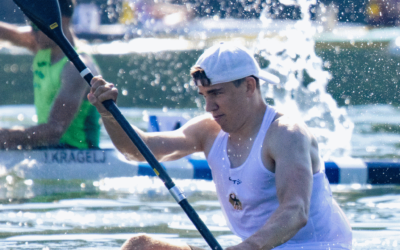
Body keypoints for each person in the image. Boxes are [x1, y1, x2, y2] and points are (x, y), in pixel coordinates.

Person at [88, 43, 352, 250]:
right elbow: (139, 150)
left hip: (315, 247)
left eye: (216, 93)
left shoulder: (286, 134)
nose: (208, 106)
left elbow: (295, 211)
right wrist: (108, 114)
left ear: (249, 86)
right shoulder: (208, 131)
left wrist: (245, 248)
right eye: (204, 95)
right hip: (256, 249)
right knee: (139, 247)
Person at [0, 0, 101, 150]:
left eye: (36, 24)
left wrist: (6, 136)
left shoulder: (76, 69)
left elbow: (54, 131)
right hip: (48, 150)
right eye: (30, 23)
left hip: (76, 155)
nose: (31, 31)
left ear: (61, 20)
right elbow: (7, 33)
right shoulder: (41, 43)